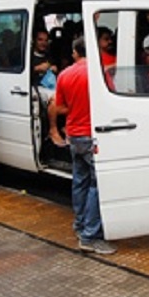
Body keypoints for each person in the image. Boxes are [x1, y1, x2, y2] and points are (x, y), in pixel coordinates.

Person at [51, 37, 116, 255]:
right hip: (93, 136)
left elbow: (59, 107)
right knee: (98, 186)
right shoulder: (101, 73)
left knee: (80, 181)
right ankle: (90, 235)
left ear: (75, 52)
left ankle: (80, 225)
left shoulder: (65, 74)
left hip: (75, 134)